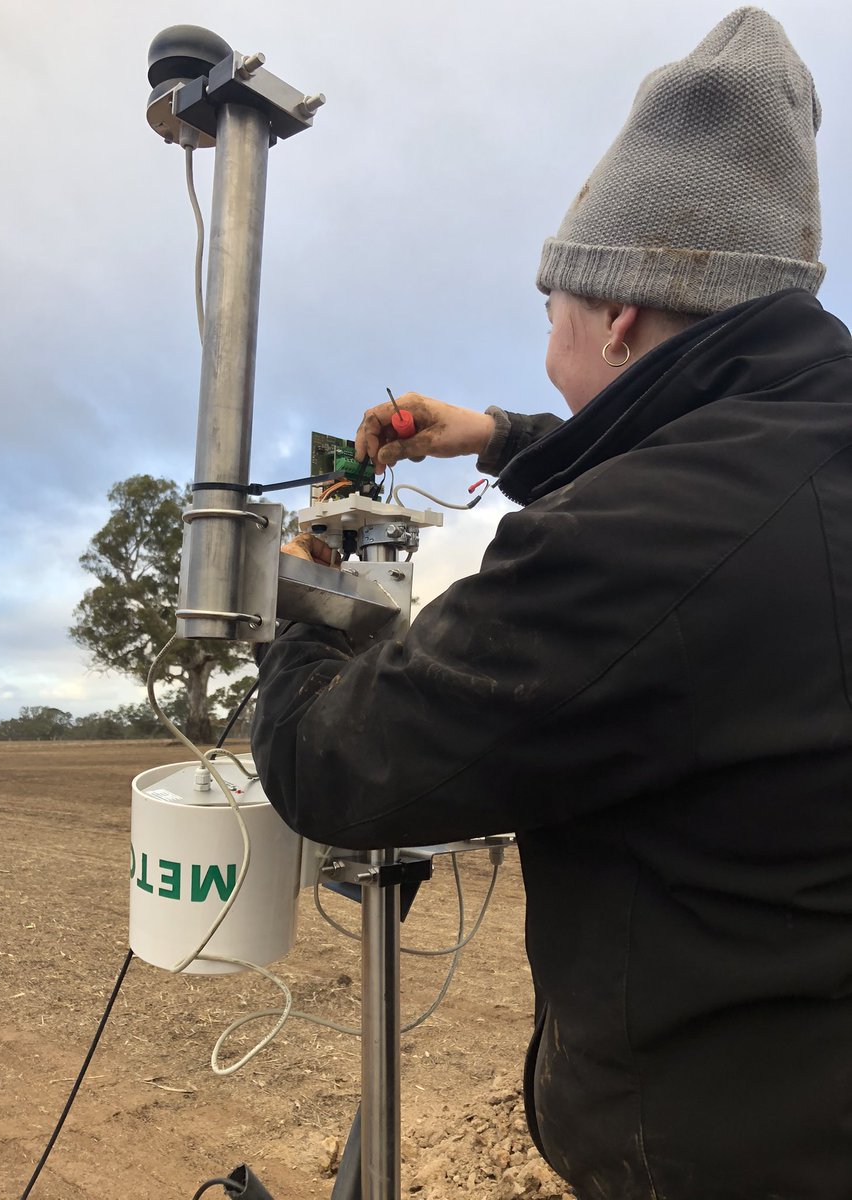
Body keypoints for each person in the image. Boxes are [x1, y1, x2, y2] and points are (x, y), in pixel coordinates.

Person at [253, 9, 852, 1199]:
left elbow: (332, 771)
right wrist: (498, 435)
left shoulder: (635, 542)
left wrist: (314, 582)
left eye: (550, 312)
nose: (547, 341)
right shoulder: (797, 448)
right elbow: (699, 467)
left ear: (617, 314)